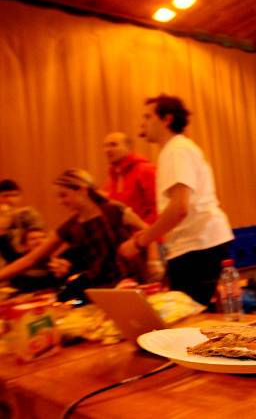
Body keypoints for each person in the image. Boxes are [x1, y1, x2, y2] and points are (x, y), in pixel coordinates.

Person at [118, 95, 234, 306]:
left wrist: (140, 241)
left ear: (166, 119)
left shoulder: (176, 150)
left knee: (190, 322)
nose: (142, 123)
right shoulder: (176, 150)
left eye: (148, 116)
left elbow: (179, 208)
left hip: (198, 247)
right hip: (196, 246)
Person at [0, 169, 150, 288]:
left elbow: (148, 232)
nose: (60, 202)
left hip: (131, 281)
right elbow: (30, 259)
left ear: (82, 190)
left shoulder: (114, 210)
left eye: (64, 195)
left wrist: (152, 260)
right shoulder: (71, 226)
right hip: (101, 286)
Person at [102, 132, 157, 224]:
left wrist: (145, 233)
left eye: (113, 145)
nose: (107, 150)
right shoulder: (113, 176)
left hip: (144, 234)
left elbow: (157, 208)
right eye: (105, 146)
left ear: (129, 148)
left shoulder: (145, 170)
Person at [0, 179, 46, 267]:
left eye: (15, 195)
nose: (10, 199)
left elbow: (39, 241)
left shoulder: (28, 215)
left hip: (23, 262)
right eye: (6, 196)